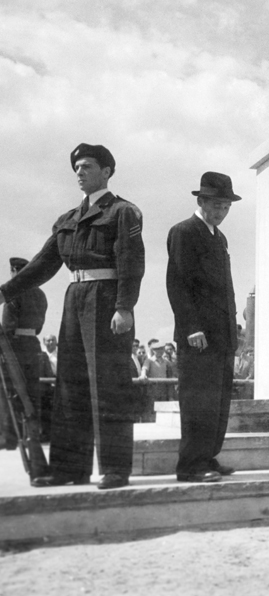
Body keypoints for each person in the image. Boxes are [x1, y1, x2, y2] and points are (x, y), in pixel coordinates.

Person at [0, 143, 145, 489]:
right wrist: (5, 292)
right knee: (70, 385)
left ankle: (114, 469)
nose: (80, 172)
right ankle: (69, 469)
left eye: (88, 166)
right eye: (77, 167)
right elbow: (42, 265)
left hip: (107, 300)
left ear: (107, 171)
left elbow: (131, 261)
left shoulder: (123, 212)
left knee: (108, 387)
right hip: (74, 299)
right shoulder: (68, 220)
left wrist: (124, 307)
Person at [166, 172, 240, 483]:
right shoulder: (185, 231)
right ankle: (191, 465)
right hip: (198, 337)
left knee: (217, 402)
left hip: (221, 336)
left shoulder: (218, 237)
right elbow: (177, 284)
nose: (221, 212)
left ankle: (208, 456)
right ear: (201, 201)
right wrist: (191, 327)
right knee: (198, 401)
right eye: (216, 205)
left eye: (226, 207)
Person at [0, 257, 49, 450]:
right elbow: (38, 327)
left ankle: (9, 436)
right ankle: (32, 435)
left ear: (14, 271)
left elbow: (7, 328)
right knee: (32, 393)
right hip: (33, 346)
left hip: (15, 348)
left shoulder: (12, 294)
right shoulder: (41, 294)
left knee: (8, 392)